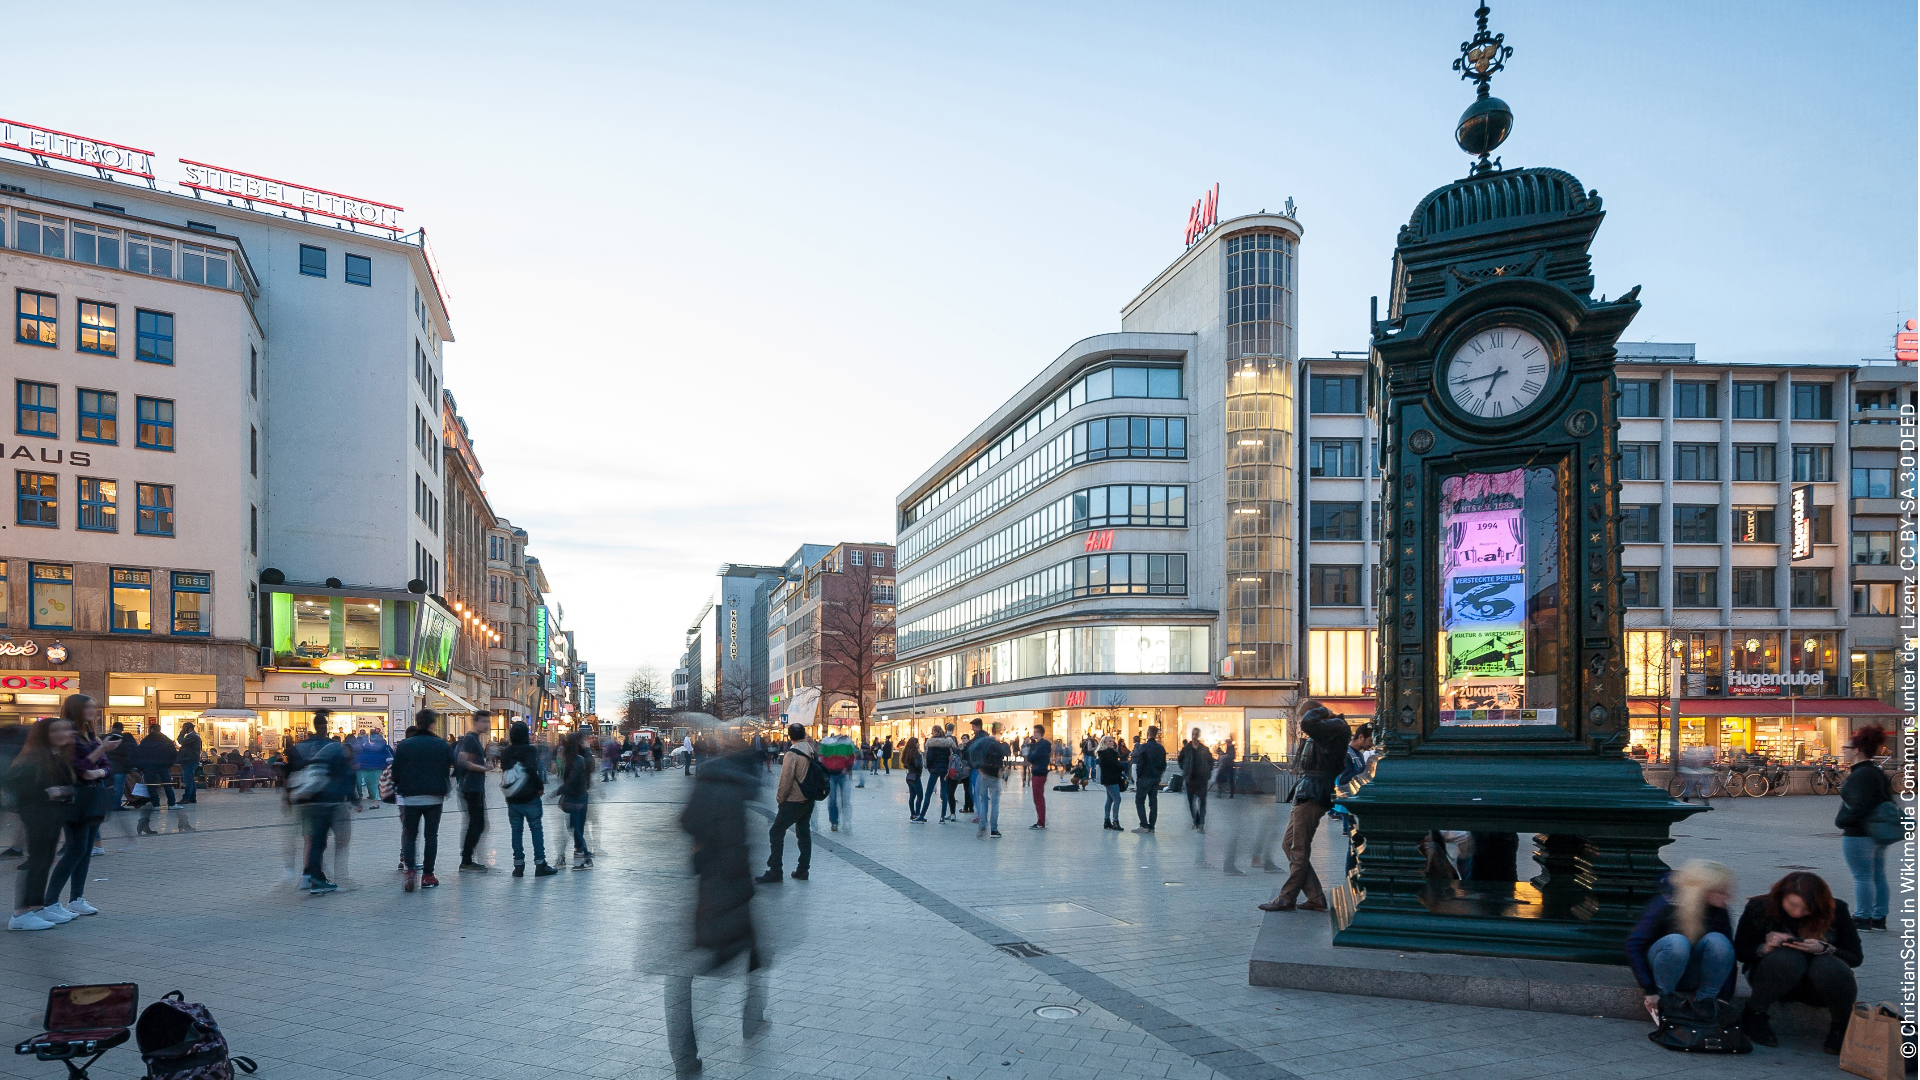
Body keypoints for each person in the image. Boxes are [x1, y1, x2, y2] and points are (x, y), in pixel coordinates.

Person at [669, 734, 767, 1076]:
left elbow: (685, 822)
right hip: (734, 886)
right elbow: (738, 845)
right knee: (749, 954)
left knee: (687, 973)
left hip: (709, 885)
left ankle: (686, 1057)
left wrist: (701, 843)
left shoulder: (705, 782)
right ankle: (751, 1019)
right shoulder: (738, 791)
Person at [1734, 871, 1862, 1054]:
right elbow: (1741, 951)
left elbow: (1855, 957)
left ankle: (1840, 1026)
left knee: (1828, 965)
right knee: (1788, 958)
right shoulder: (1760, 907)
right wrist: (1766, 947)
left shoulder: (1837, 909)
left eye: (1806, 909)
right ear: (1782, 896)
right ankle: (1755, 1014)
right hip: (1773, 978)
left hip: (1820, 985)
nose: (1798, 912)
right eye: (1792, 905)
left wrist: (1826, 949)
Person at [1259, 701, 1350, 913]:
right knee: (1289, 844)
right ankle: (1315, 897)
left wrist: (1320, 712)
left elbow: (1309, 723)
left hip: (1314, 793)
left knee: (1298, 848)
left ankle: (1286, 898)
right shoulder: (1328, 731)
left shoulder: (1337, 727)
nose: (1303, 722)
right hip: (1307, 791)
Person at [1624, 860, 1737, 1015]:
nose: (1728, 897)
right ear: (1701, 890)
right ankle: (1665, 999)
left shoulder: (1719, 910)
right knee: (1677, 942)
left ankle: (1706, 1002)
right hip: (1662, 968)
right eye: (1721, 892)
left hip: (1694, 972)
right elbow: (1634, 944)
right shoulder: (1665, 903)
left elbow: (1728, 955)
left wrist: (1725, 995)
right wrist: (1649, 989)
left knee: (1719, 941)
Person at [7, 717, 79, 930]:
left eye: (66, 730)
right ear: (43, 734)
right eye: (57, 731)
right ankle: (21, 914)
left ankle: (36, 907)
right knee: (37, 860)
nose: (64, 734)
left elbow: (67, 784)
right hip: (38, 813)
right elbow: (17, 787)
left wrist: (64, 791)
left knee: (45, 858)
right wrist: (47, 793)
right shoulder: (33, 756)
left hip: (52, 812)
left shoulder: (55, 755)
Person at [43, 695, 110, 920]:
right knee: (75, 849)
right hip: (76, 797)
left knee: (85, 850)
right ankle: (50, 901)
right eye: (87, 707)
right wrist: (99, 755)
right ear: (76, 709)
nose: (93, 710)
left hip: (93, 795)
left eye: (93, 706)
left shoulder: (90, 735)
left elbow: (105, 766)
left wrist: (99, 771)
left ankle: (76, 898)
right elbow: (78, 765)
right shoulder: (68, 734)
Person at [285, 711, 358, 895]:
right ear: (325, 727)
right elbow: (346, 773)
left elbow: (289, 772)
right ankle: (339, 876)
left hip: (306, 800)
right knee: (341, 840)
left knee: (313, 840)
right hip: (330, 800)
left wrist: (288, 797)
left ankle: (311, 876)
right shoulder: (334, 747)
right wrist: (354, 798)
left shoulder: (299, 747)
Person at [1835, 725, 1894, 932]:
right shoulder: (1877, 773)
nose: (1844, 750)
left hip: (1858, 834)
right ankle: (1879, 916)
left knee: (1862, 877)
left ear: (1857, 750)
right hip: (1877, 834)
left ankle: (1862, 917)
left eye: (1846, 747)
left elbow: (1860, 806)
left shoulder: (1861, 775)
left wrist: (1842, 821)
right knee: (1878, 875)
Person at [393, 711, 453, 890]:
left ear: (417, 723)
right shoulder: (441, 744)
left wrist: (402, 785)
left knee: (410, 834)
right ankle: (428, 875)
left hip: (410, 796)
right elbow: (448, 767)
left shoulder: (405, 745)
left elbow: (395, 771)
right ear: (432, 724)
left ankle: (410, 870)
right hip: (434, 796)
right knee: (431, 835)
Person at [759, 723, 819, 883]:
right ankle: (803, 869)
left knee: (776, 832)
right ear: (804, 734)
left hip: (794, 800)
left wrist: (780, 798)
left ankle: (775, 870)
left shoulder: (792, 754)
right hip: (809, 798)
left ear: (790, 736)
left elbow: (786, 780)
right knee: (804, 832)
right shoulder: (810, 749)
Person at [498, 721, 556, 878]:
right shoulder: (530, 750)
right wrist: (539, 787)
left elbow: (505, 770)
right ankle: (540, 863)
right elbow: (532, 769)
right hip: (530, 796)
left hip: (513, 798)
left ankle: (518, 865)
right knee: (536, 829)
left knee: (516, 831)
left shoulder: (506, 751)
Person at [454, 713, 492, 872]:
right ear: (475, 722)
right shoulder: (470, 739)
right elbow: (462, 761)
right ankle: (466, 860)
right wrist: (483, 768)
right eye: (483, 721)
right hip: (471, 787)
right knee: (477, 823)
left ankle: (468, 857)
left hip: (474, 787)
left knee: (477, 823)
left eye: (488, 721)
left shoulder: (475, 739)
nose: (487, 724)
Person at [558, 729, 594, 869]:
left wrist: (559, 791)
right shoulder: (578, 758)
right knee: (576, 826)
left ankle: (585, 855)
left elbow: (570, 778)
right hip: (580, 794)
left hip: (576, 796)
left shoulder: (577, 759)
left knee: (575, 827)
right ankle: (581, 851)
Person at [966, 719, 1007, 838]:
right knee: (995, 803)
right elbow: (1005, 755)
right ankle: (994, 829)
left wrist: (977, 765)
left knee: (983, 800)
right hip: (995, 775)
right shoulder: (1000, 743)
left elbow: (971, 750)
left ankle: (982, 825)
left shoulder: (985, 740)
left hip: (984, 773)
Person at [818, 728, 856, 832]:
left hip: (842, 774)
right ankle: (834, 822)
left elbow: (852, 757)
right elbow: (821, 758)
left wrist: (847, 768)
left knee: (845, 800)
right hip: (831, 774)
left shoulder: (846, 743)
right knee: (832, 800)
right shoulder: (826, 743)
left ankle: (845, 822)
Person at [1130, 727, 1166, 834]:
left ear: (1147, 734)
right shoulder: (1160, 748)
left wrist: (1138, 776)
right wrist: (1159, 774)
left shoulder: (1144, 747)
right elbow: (1163, 764)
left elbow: (1140, 763)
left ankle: (1144, 825)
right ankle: (1152, 826)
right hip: (1155, 777)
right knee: (1153, 802)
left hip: (1145, 777)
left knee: (1140, 801)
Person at [136, 722, 178, 812]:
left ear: (151, 730)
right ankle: (172, 803)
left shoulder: (146, 741)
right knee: (167, 784)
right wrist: (169, 764)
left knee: (151, 785)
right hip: (163, 766)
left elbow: (139, 754)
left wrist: (142, 767)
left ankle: (156, 804)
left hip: (149, 766)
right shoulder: (166, 740)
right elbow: (173, 753)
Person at [1178, 730, 1215, 832]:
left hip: (1201, 780)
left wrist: (1207, 771)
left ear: (1199, 736)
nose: (1194, 737)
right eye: (1193, 734)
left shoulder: (1204, 749)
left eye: (1196, 735)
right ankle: (1196, 820)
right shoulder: (1186, 749)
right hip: (1190, 779)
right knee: (1191, 802)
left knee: (1202, 801)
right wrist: (1185, 770)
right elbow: (1180, 760)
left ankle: (1201, 823)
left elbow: (1211, 761)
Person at [924, 726, 958, 823]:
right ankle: (942, 817)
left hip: (934, 770)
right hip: (944, 770)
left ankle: (922, 814)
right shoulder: (947, 743)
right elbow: (950, 755)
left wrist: (929, 767)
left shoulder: (932, 743)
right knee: (944, 793)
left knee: (928, 793)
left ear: (935, 732)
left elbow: (929, 758)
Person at [1023, 724, 1052, 830]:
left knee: (1038, 798)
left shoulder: (1041, 745)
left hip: (1039, 773)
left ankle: (1041, 822)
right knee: (1038, 797)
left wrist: (1031, 746)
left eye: (1035, 732)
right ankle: (1041, 820)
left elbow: (1032, 757)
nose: (1033, 734)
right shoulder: (1042, 745)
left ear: (1039, 733)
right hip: (1040, 772)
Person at [353, 729, 392, 803]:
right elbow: (390, 756)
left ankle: (373, 795)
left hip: (368, 767)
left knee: (370, 783)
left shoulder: (367, 747)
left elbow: (362, 756)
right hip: (380, 767)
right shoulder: (385, 747)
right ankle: (378, 796)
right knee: (378, 782)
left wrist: (361, 764)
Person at [176, 722, 203, 804]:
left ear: (188, 728)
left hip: (190, 760)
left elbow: (180, 741)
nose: (182, 729)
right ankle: (192, 797)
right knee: (190, 779)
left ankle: (187, 797)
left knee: (188, 780)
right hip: (189, 760)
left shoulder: (193, 737)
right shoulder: (193, 737)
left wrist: (181, 733)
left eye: (183, 728)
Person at [902, 736, 927, 823]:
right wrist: (920, 770)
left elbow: (904, 764)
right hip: (915, 776)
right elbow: (918, 765)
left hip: (909, 776)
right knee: (920, 795)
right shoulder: (916, 753)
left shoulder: (907, 753)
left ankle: (912, 814)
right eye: (917, 742)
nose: (918, 744)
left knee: (912, 796)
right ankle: (917, 814)